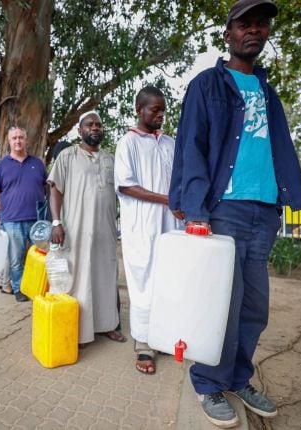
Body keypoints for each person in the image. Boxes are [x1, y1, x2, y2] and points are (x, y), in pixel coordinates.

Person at [168, 1, 301, 427]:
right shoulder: (207, 85)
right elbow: (191, 148)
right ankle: (209, 383)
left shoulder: (268, 92)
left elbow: (279, 150)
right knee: (220, 306)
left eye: (261, 24)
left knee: (254, 307)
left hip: (263, 212)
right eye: (244, 24)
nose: (254, 30)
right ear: (227, 33)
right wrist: (197, 209)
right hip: (224, 211)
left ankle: (239, 378)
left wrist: (286, 199)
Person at [114, 86, 179, 374]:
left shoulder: (170, 143)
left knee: (168, 279)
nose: (160, 115)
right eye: (155, 110)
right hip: (142, 225)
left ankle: (165, 336)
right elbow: (125, 185)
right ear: (139, 109)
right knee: (143, 281)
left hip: (171, 223)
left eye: (163, 110)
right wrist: (167, 200)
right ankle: (143, 344)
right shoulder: (127, 143)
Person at [48, 111, 126, 345]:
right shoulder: (67, 156)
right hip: (76, 229)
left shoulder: (111, 160)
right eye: (89, 125)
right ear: (80, 131)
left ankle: (107, 325)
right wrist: (56, 222)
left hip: (105, 232)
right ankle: (75, 329)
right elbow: (55, 190)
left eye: (98, 125)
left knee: (104, 276)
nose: (95, 128)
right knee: (77, 277)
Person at [0, 126, 48, 302]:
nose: (18, 141)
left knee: (37, 257)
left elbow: (47, 187)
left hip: (37, 220)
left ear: (26, 139)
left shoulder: (37, 163)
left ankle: (35, 287)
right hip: (12, 220)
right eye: (14, 138)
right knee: (15, 259)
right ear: (9, 141)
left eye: (21, 137)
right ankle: (19, 289)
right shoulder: (1, 166)